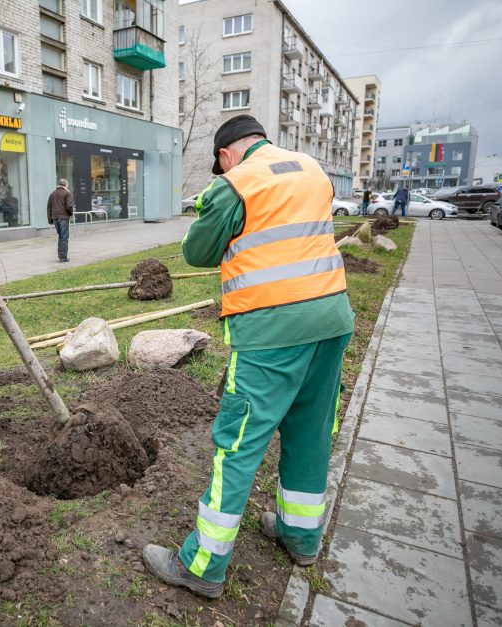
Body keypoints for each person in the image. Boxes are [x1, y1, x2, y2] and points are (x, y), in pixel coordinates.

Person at [142, 114, 354, 599]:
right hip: (331, 321)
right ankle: (301, 536)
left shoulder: (235, 184)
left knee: (238, 445)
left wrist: (209, 208)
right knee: (309, 431)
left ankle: (202, 565)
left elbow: (198, 251)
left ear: (225, 155)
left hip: (271, 333)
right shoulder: (312, 169)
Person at [47, 178, 74, 262]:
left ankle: (61, 255)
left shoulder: (52, 194)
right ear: (65, 185)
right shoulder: (67, 193)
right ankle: (63, 257)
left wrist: (50, 219)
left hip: (55, 218)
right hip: (63, 217)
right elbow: (69, 206)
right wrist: (70, 214)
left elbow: (49, 208)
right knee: (64, 237)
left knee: (61, 237)